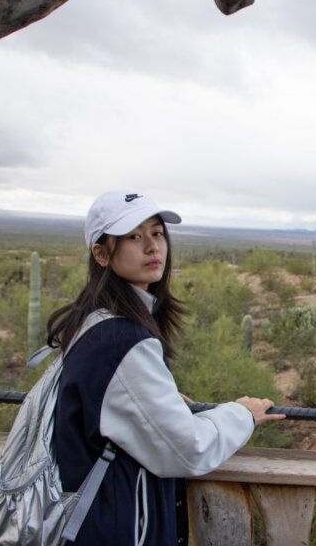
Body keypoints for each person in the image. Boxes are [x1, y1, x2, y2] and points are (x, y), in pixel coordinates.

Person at [47, 190, 285, 546]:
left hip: (91, 520)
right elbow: (189, 449)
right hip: (114, 527)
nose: (151, 247)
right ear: (100, 253)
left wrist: (153, 401)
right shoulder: (121, 339)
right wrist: (242, 414)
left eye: (157, 233)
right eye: (133, 236)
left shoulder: (94, 322)